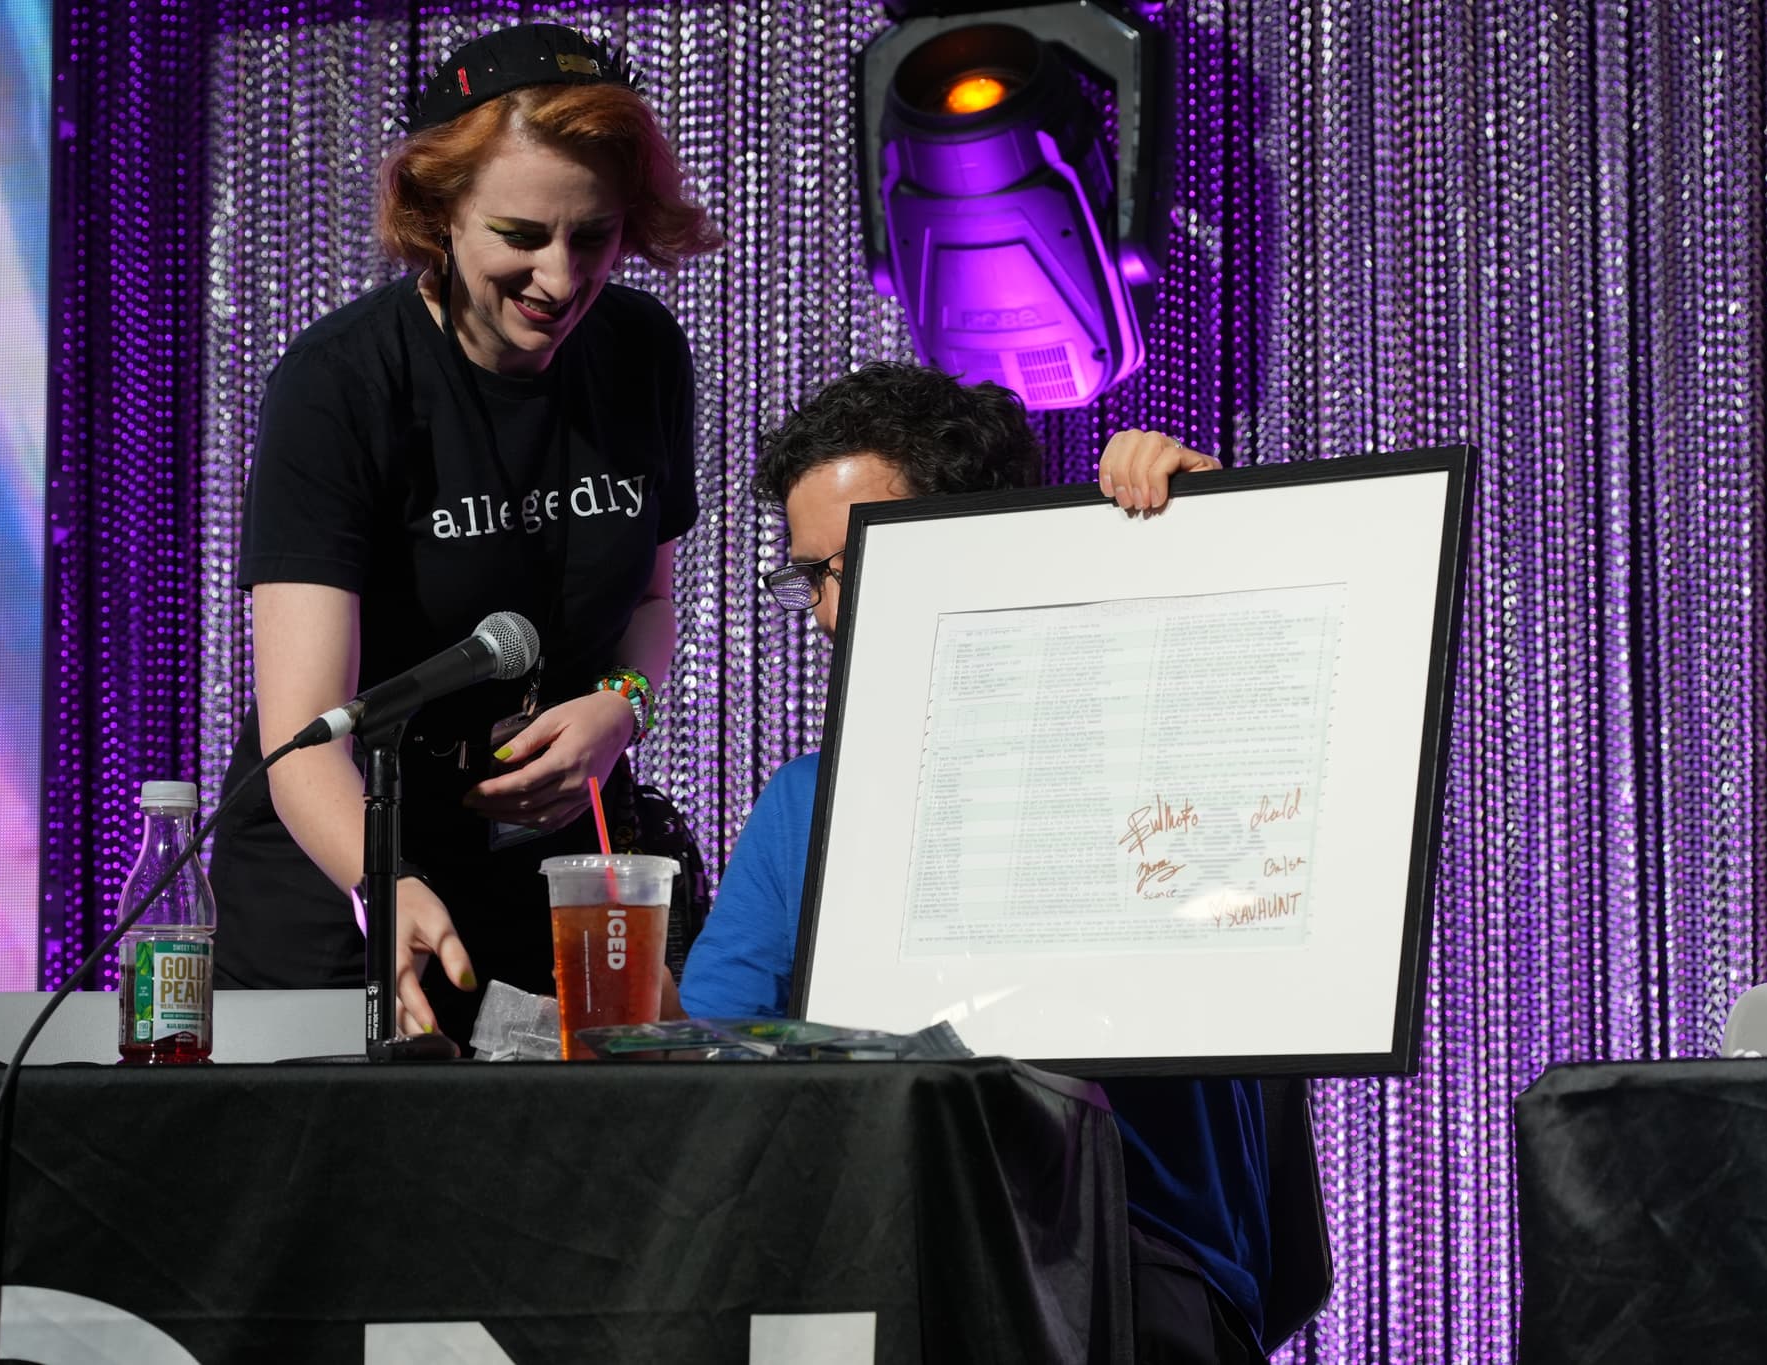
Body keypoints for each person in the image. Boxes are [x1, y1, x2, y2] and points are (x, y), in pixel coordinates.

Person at [679, 362, 1275, 1364]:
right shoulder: (803, 802)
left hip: (1129, 1270)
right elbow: (718, 1050)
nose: (825, 618)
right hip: (875, 1252)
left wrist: (1206, 551)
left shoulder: (1149, 745)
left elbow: (1288, 779)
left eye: (852, 566)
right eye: (807, 577)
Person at [210, 24, 719, 1046]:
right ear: (435, 211)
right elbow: (302, 729)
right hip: (343, 859)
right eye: (521, 235)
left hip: (545, 864)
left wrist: (619, 708)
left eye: (596, 235)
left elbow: (652, 602)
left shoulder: (643, 355)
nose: (561, 278)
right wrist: (380, 879)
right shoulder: (340, 384)